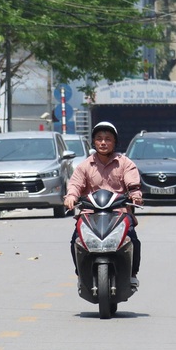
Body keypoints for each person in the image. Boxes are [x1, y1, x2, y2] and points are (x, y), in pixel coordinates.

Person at [64, 121, 143, 285]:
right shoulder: (85, 165)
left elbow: (132, 183)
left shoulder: (125, 163)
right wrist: (71, 196)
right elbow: (75, 184)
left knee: (133, 239)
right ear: (94, 142)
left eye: (108, 139)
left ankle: (132, 274)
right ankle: (81, 275)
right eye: (99, 138)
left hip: (119, 213)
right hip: (90, 214)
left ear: (115, 142)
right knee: (75, 240)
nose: (103, 142)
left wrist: (135, 195)